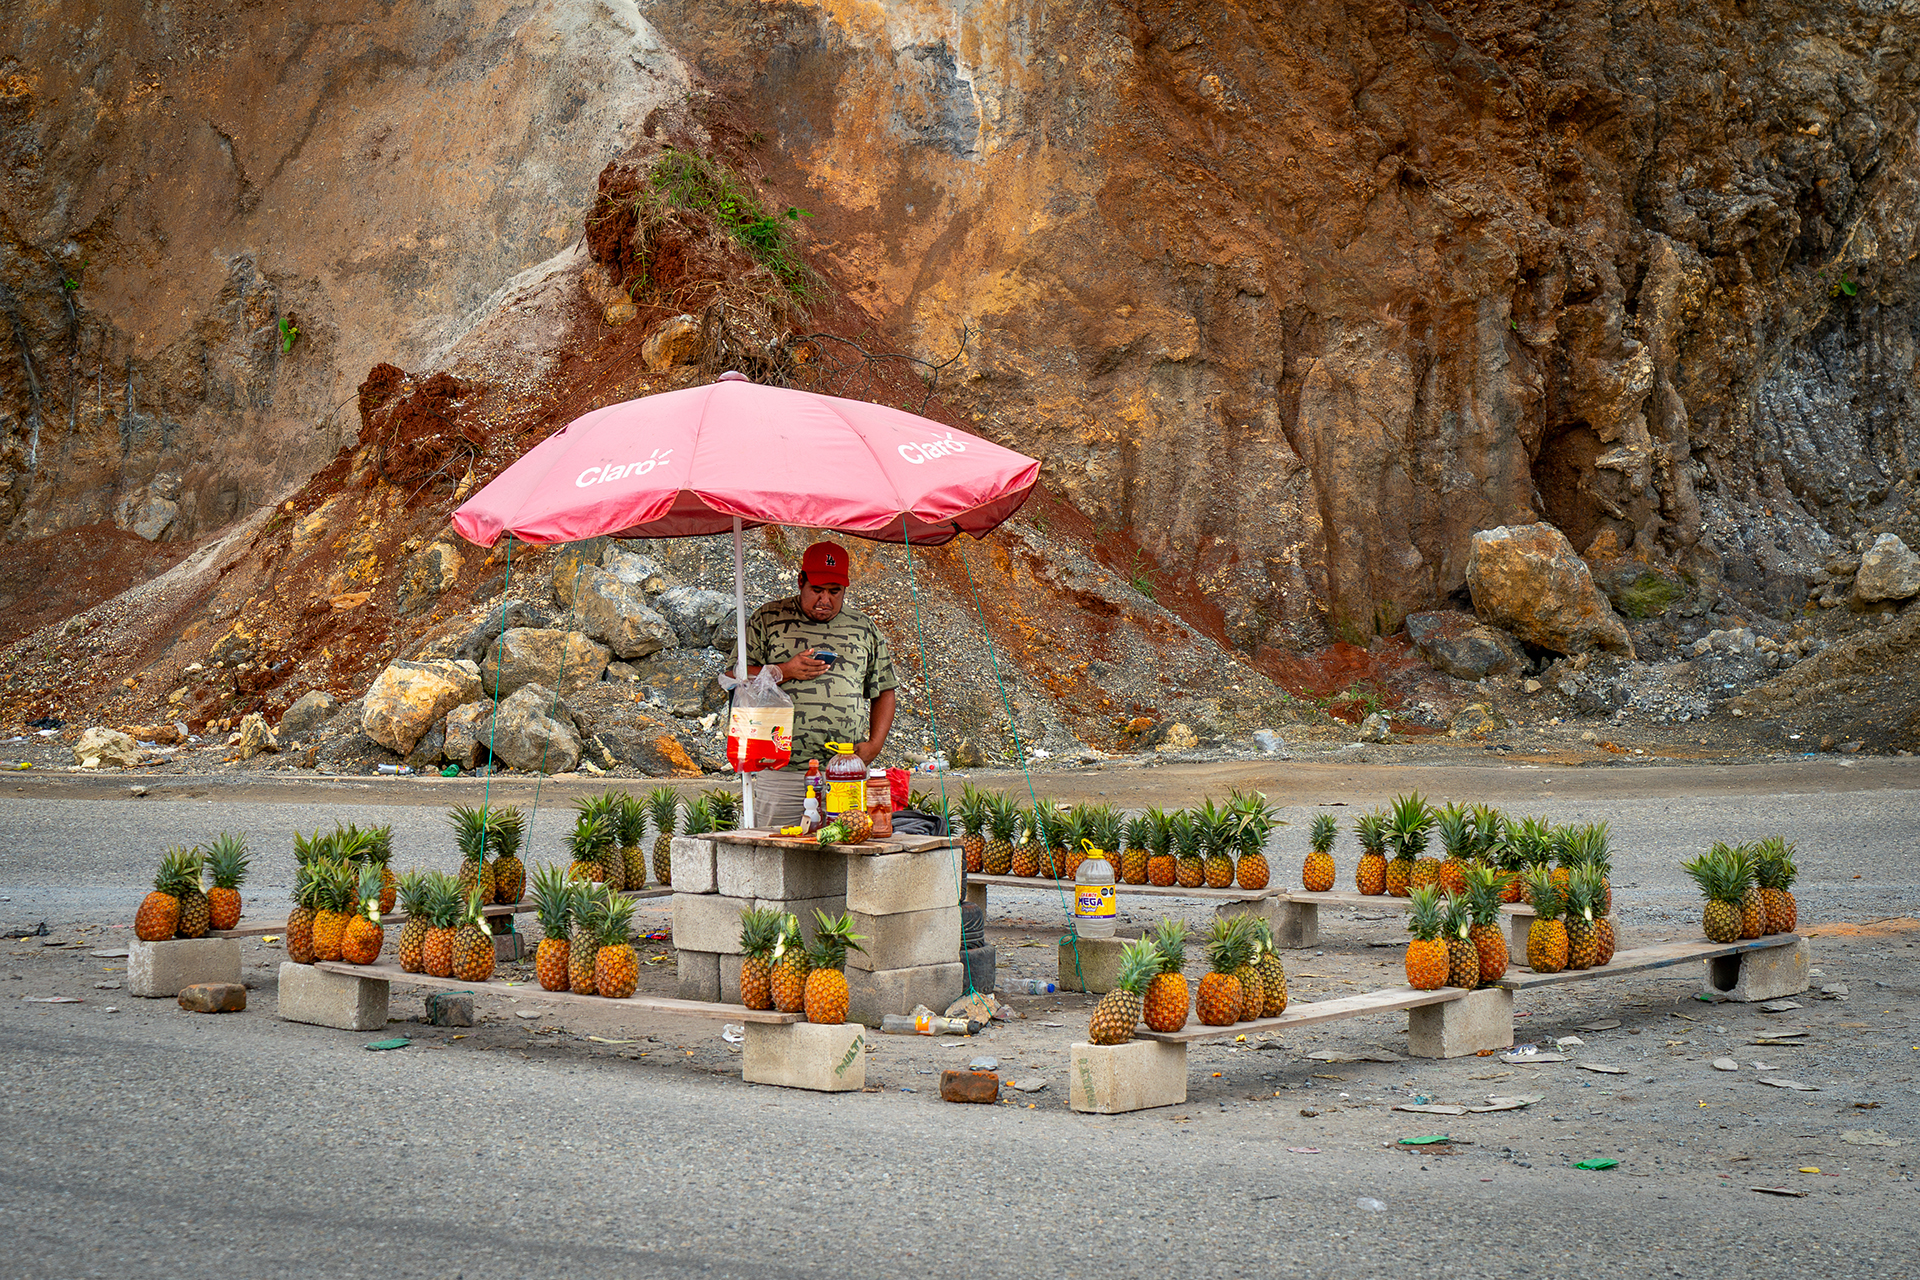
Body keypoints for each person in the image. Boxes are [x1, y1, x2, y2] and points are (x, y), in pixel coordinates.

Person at [732, 540, 898, 828]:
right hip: (782, 770)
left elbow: (883, 689)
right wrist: (784, 670)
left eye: (835, 592)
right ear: (800, 581)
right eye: (817, 590)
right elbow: (736, 676)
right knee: (775, 854)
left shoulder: (863, 628)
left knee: (846, 855)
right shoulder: (769, 619)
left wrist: (874, 746)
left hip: (846, 772)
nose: (825, 600)